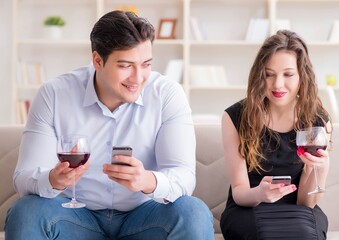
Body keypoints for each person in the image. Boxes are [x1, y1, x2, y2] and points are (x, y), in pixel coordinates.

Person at [5, 10, 214, 240]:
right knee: (26, 213)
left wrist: (148, 181)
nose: (138, 77)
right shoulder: (54, 95)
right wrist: (53, 180)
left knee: (194, 212)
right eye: (125, 66)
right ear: (97, 60)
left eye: (145, 64)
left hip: (145, 216)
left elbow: (183, 175)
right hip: (74, 217)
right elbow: (23, 177)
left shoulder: (167, 94)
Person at [220, 30, 332, 240]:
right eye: (269, 74)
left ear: (302, 76)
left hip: (299, 211)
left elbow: (305, 203)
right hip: (249, 208)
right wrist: (260, 194)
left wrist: (321, 169)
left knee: (306, 234)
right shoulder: (234, 117)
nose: (277, 84)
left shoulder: (318, 121)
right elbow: (239, 192)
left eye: (288, 74)